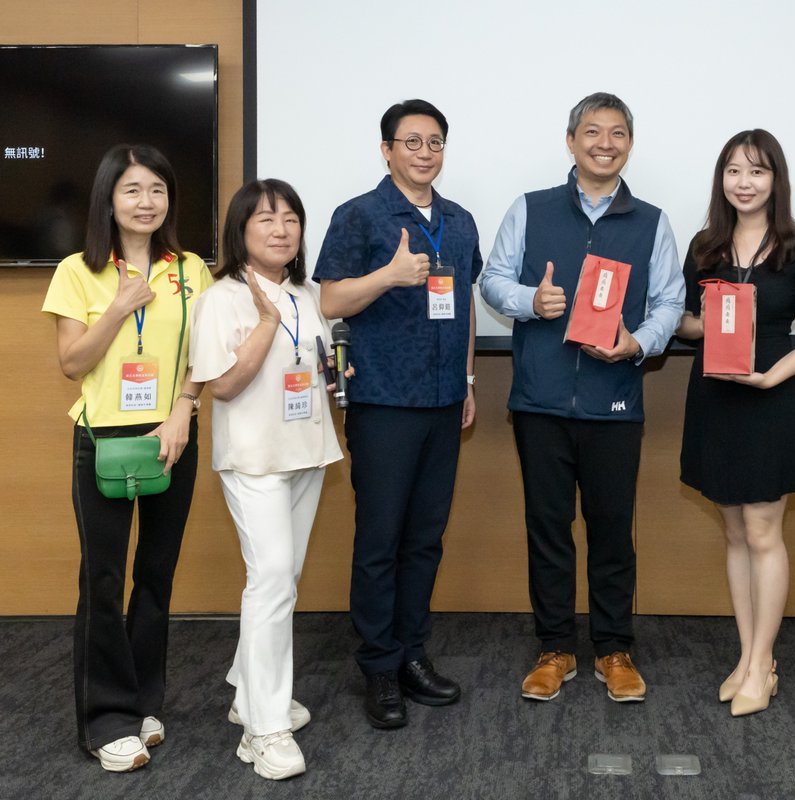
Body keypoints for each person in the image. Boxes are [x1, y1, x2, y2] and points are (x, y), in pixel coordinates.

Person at [479, 91, 684, 704]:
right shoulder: (530, 208)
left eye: (617, 132)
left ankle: (615, 649)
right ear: (570, 141)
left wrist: (637, 343)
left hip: (615, 402)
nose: (604, 142)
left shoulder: (651, 222)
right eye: (591, 131)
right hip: (540, 400)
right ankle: (555, 649)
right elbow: (492, 279)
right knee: (547, 528)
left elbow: (670, 302)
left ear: (628, 145)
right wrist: (527, 302)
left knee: (613, 529)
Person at [42, 144, 212, 771]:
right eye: (133, 190)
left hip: (172, 433)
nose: (147, 202)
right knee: (104, 579)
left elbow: (205, 351)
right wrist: (118, 306)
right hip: (105, 439)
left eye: (158, 190)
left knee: (157, 575)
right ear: (108, 199)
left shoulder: (190, 268)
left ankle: (143, 700)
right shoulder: (76, 271)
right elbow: (71, 364)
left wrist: (184, 407)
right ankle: (104, 718)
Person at [314, 99, 481, 729]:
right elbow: (330, 297)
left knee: (425, 539)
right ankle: (379, 665)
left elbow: (462, 305)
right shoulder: (358, 215)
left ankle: (412, 653)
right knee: (380, 540)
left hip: (443, 401)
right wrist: (387, 275)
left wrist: (467, 379)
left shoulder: (461, 221)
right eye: (411, 142)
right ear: (387, 150)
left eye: (435, 142)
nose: (424, 152)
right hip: (384, 400)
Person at [190, 180, 344, 779]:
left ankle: (246, 691)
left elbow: (312, 362)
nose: (280, 230)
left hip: (306, 450)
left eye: (291, 220)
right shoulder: (223, 296)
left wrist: (334, 372)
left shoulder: (307, 291)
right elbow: (222, 385)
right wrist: (264, 322)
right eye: (265, 220)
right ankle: (263, 728)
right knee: (273, 579)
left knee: (283, 577)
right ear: (240, 232)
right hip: (252, 458)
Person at [675, 130, 795, 716]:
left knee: (765, 532)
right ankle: (745, 657)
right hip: (714, 395)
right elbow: (686, 324)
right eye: (734, 171)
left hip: (769, 398)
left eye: (758, 172)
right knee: (736, 532)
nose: (744, 182)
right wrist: (705, 320)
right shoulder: (705, 245)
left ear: (775, 181)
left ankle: (764, 662)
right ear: (722, 180)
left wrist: (773, 377)